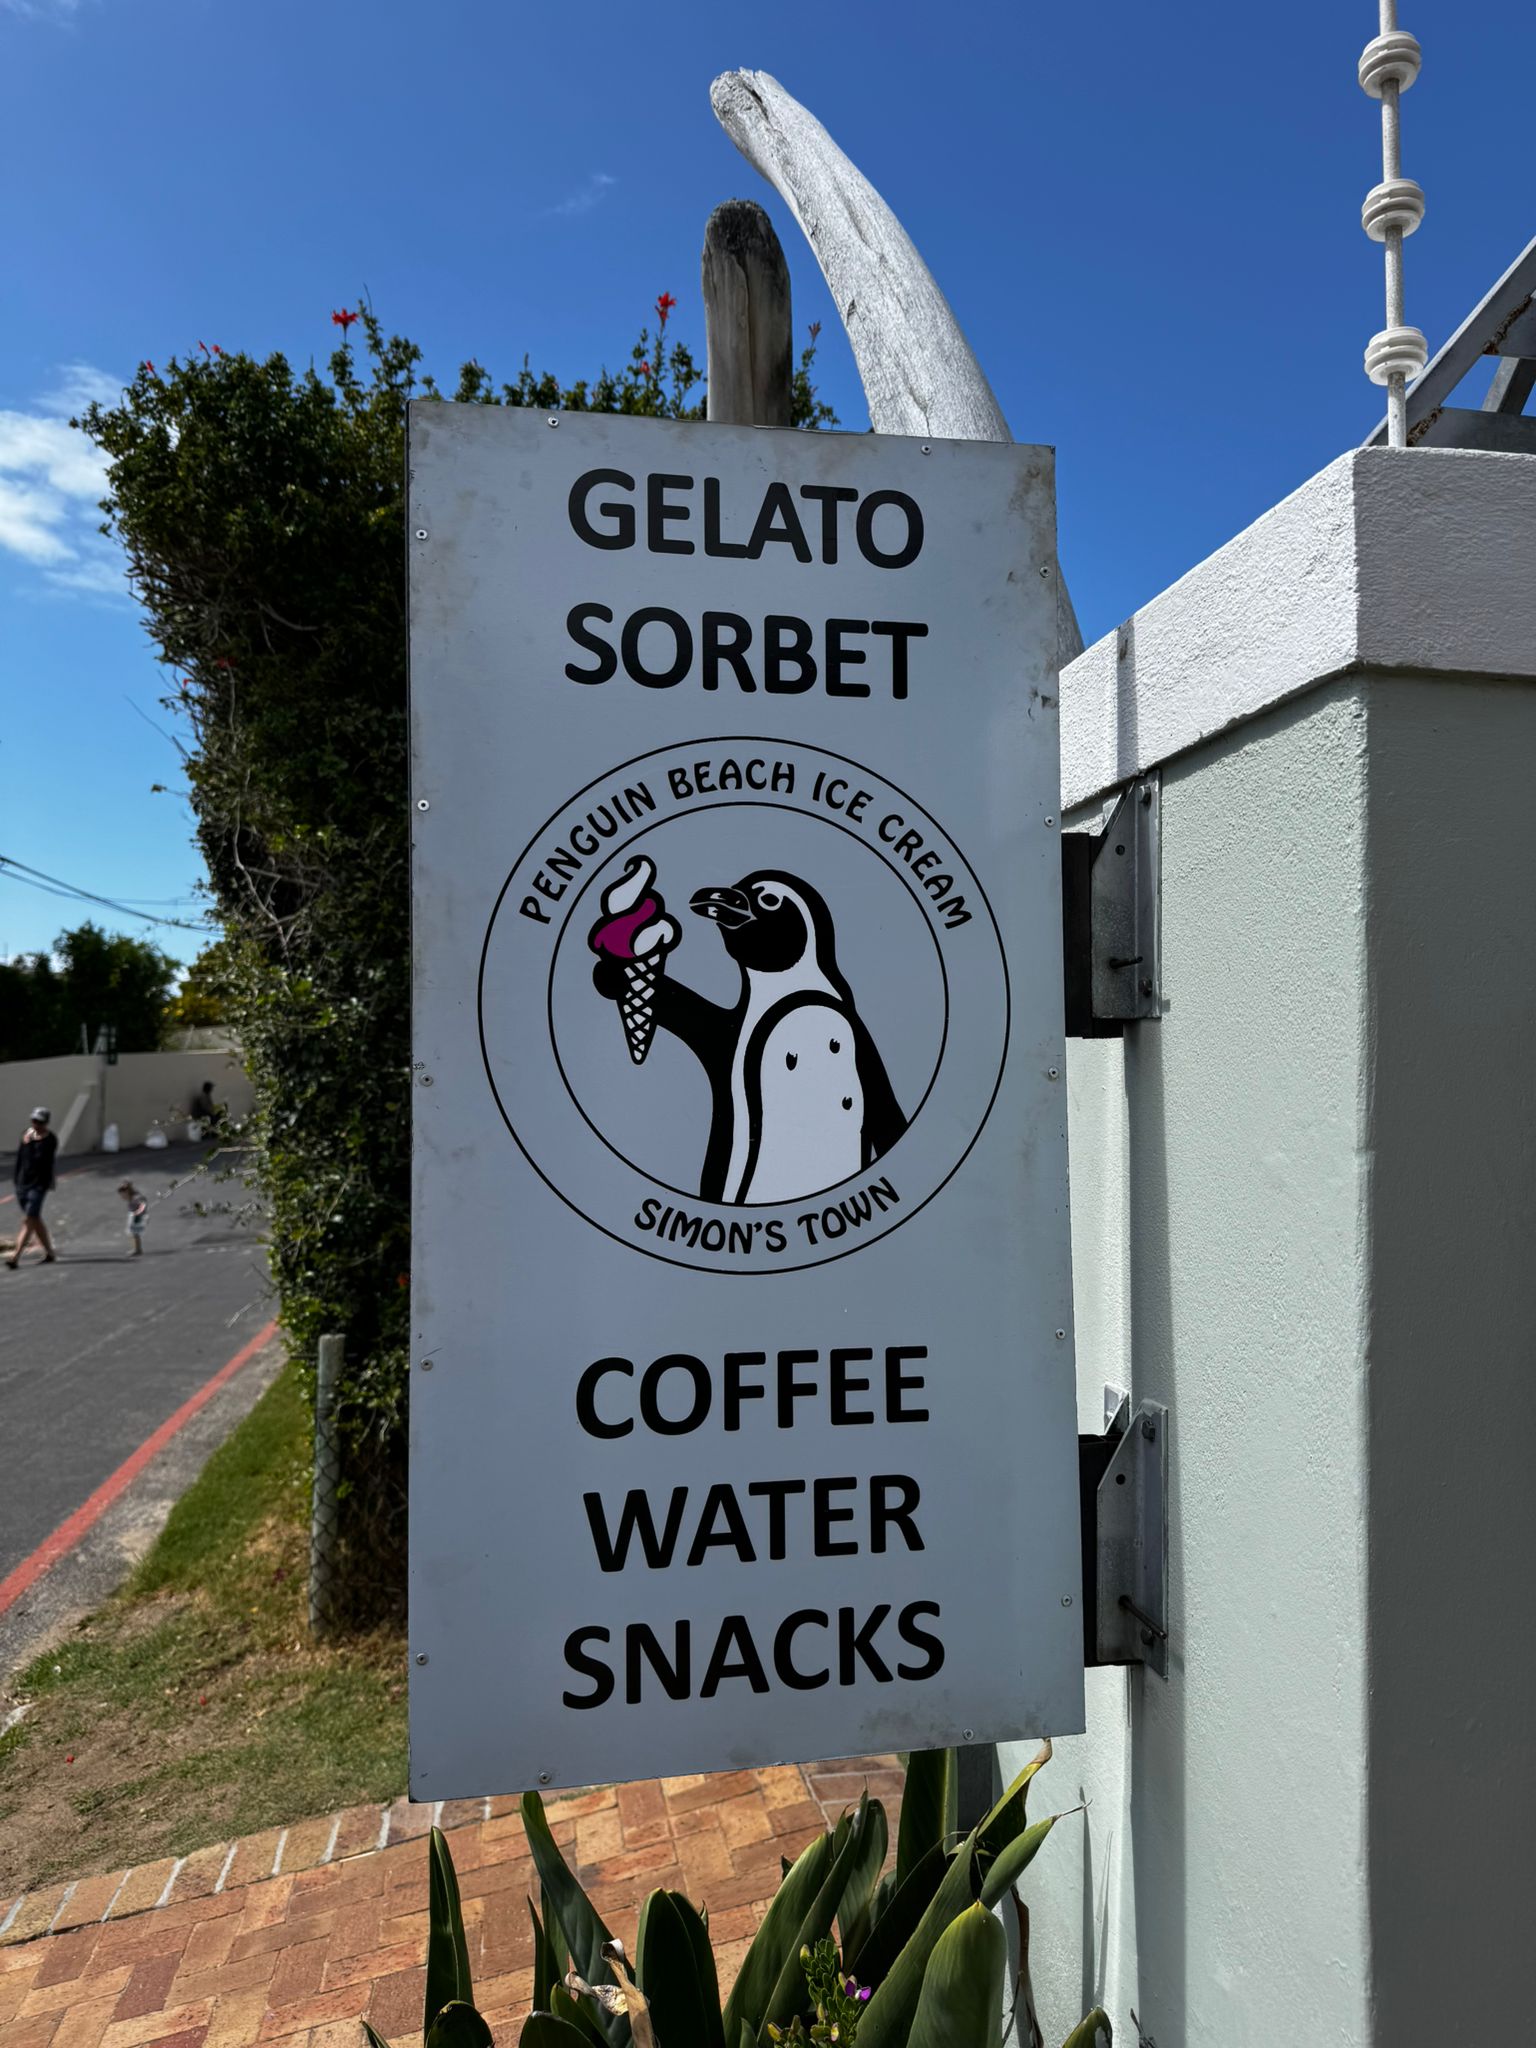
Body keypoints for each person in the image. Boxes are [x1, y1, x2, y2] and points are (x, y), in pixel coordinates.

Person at [8, 1107, 58, 1268]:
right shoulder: (26, 1135)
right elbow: (21, 1159)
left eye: (40, 1122)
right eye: (34, 1121)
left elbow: (41, 1160)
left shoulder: (50, 1140)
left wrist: (30, 1144)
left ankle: (15, 1257)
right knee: (34, 1219)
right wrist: (16, 1180)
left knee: (29, 1218)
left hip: (39, 1185)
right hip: (23, 1183)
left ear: (46, 1123)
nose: (36, 1125)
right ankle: (50, 1252)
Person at [119, 1180, 148, 1255]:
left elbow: (143, 1204)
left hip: (137, 1216)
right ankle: (137, 1249)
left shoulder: (136, 1196)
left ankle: (136, 1249)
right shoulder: (132, 1195)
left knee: (133, 1233)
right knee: (133, 1233)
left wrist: (138, 1212)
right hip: (133, 1214)